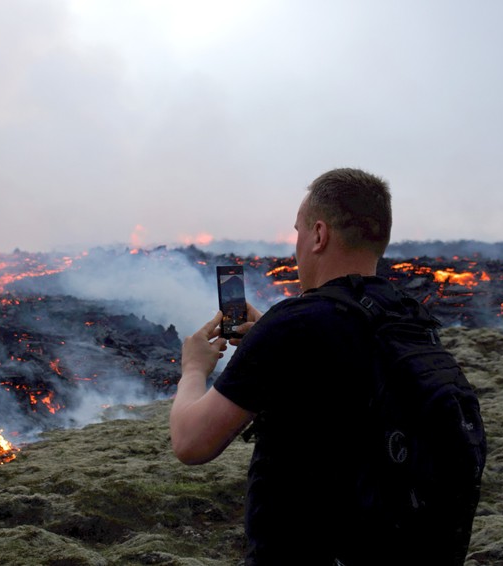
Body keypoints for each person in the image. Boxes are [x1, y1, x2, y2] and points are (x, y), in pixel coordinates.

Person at [170, 168, 470, 564]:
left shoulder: (295, 324)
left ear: (318, 234)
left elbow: (191, 443)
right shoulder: (406, 316)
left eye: (297, 231)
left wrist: (193, 367)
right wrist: (266, 339)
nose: (295, 245)